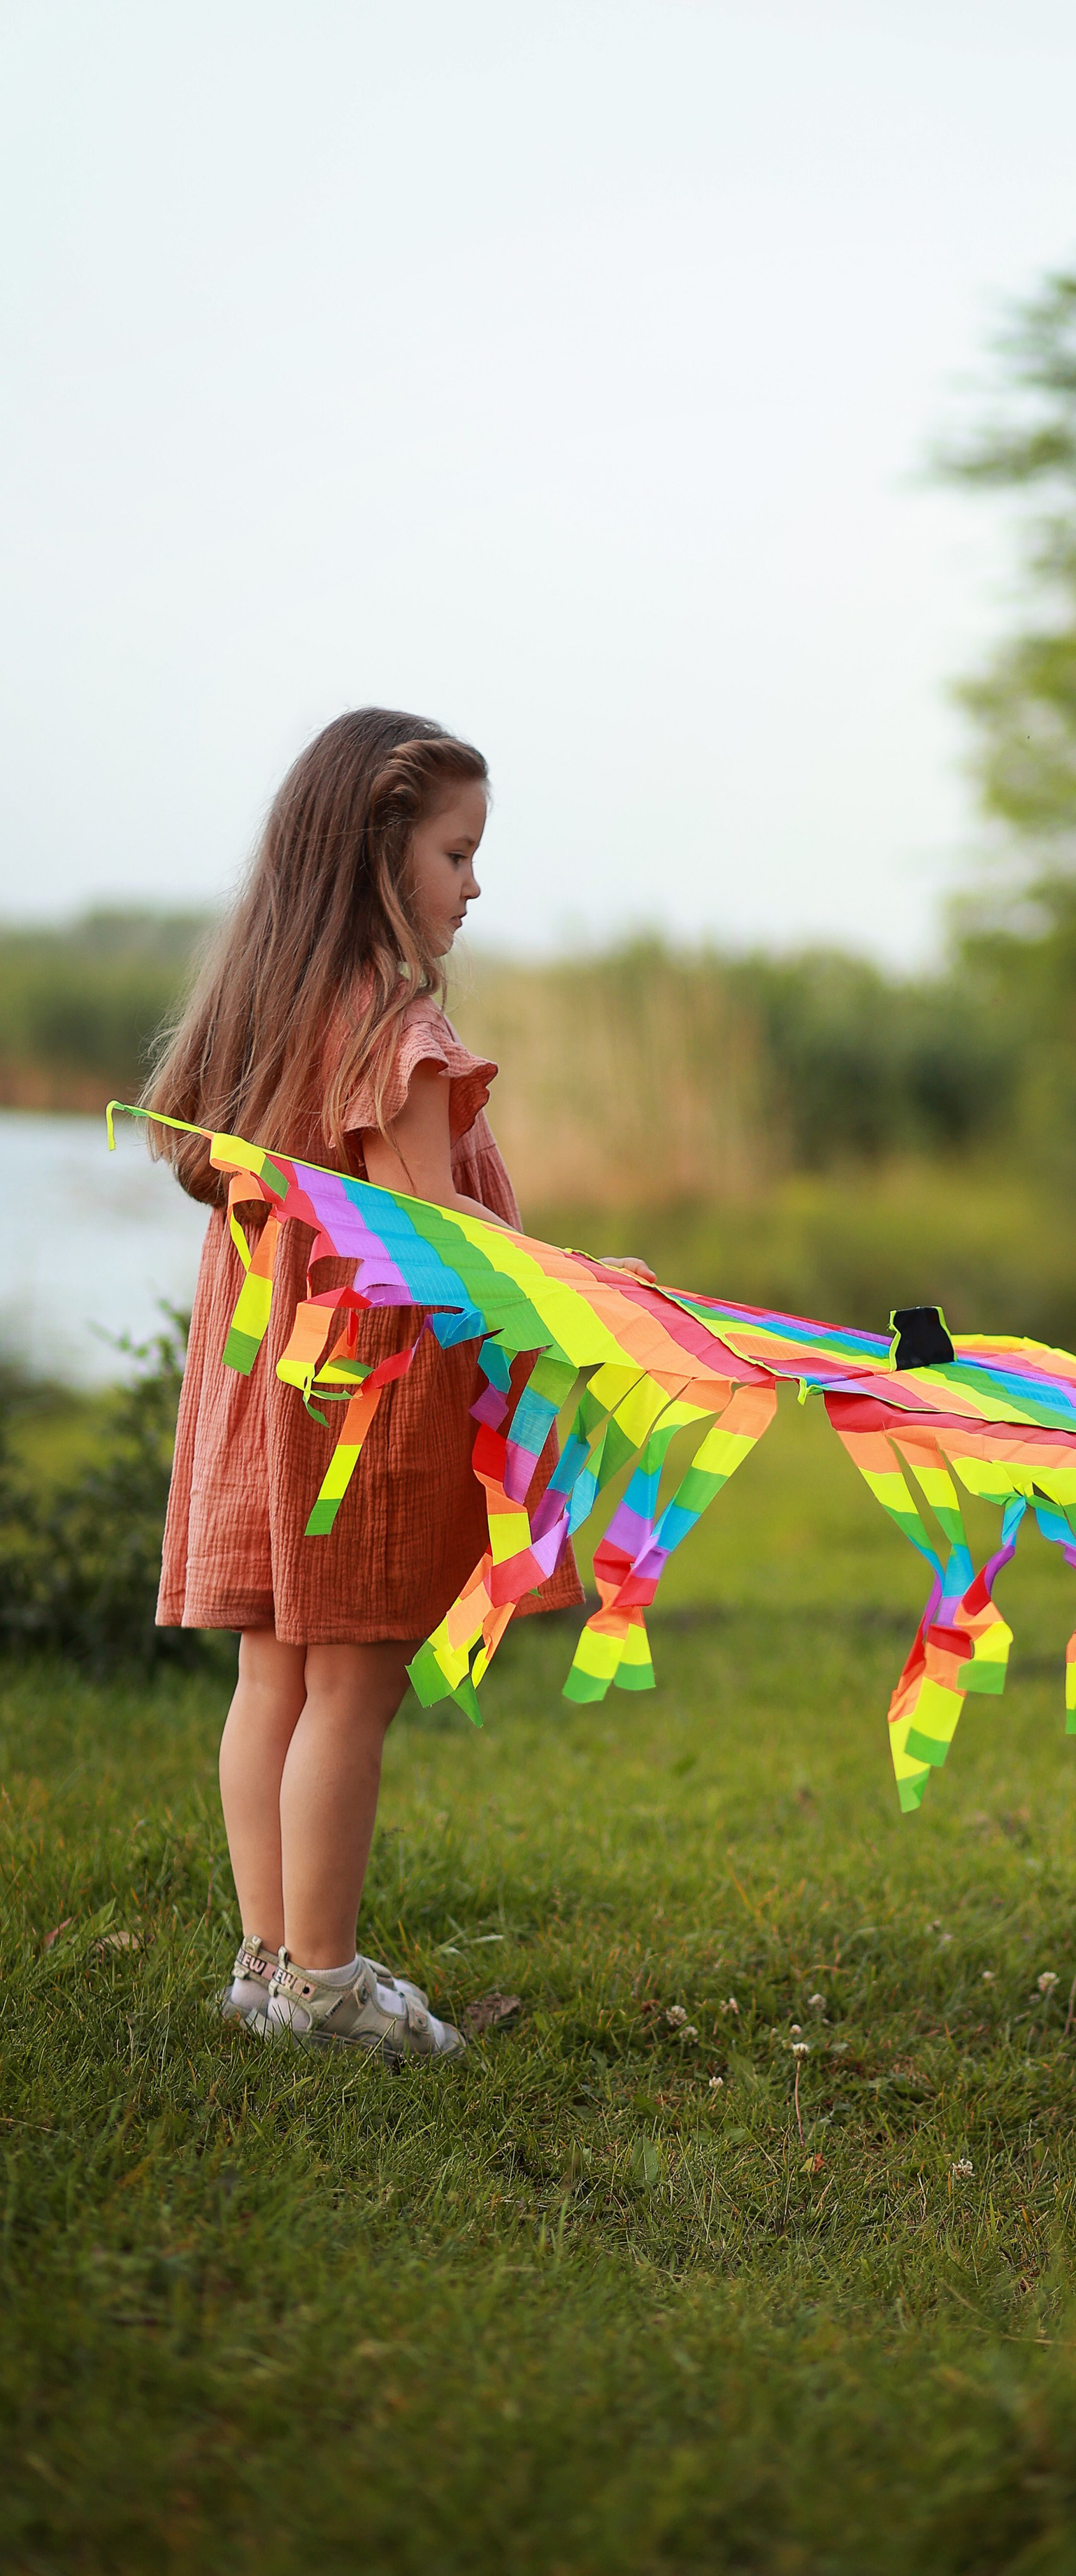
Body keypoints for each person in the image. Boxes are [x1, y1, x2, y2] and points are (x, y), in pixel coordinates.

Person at [147, 709, 650, 2064]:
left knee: (274, 1681)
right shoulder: (393, 1023)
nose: (473, 886)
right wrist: (580, 1287)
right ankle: (322, 1983)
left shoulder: (277, 1004)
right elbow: (428, 1241)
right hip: (359, 1408)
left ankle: (265, 1966)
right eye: (457, 851)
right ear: (382, 850)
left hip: (273, 1393)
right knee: (351, 1694)